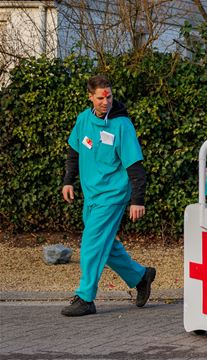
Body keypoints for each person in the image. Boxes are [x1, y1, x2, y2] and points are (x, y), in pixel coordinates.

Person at [61, 75, 156, 317]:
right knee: (106, 244)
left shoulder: (122, 125)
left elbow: (135, 166)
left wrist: (138, 201)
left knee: (92, 244)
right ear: (90, 97)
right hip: (92, 195)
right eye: (101, 98)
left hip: (113, 195)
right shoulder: (84, 119)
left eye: (109, 96)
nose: (106, 101)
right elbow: (74, 150)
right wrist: (67, 182)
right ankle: (140, 275)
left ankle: (85, 297)